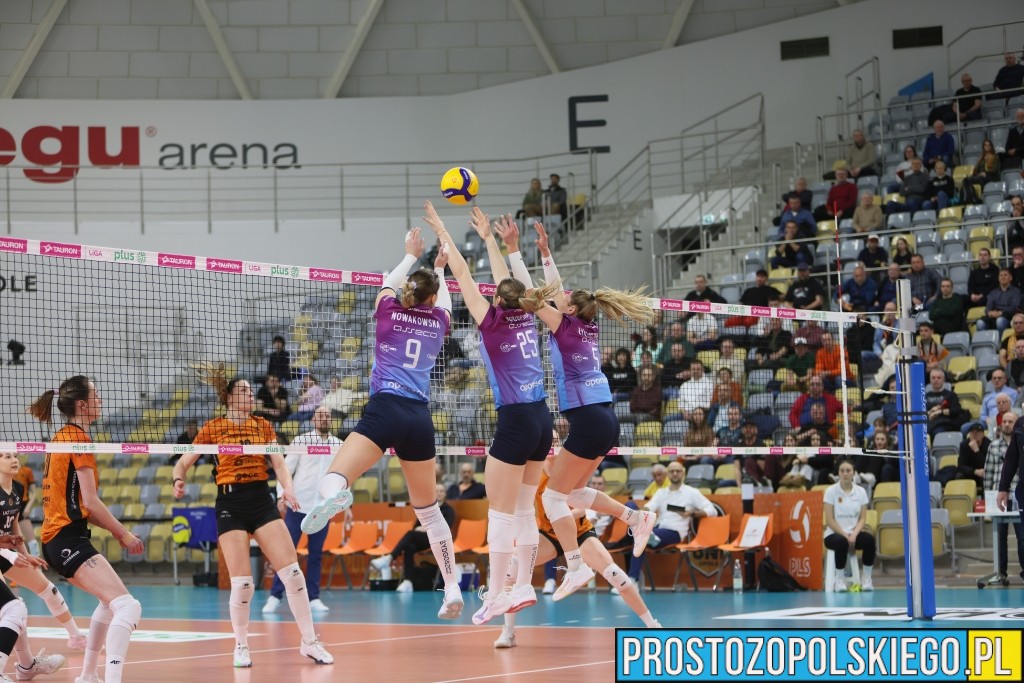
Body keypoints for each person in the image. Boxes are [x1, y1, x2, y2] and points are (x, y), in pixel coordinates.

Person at [298, 217, 465, 620]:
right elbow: (445, 302)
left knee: (333, 476)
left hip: (385, 408)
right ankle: (452, 588)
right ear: (432, 297)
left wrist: (409, 255)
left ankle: (334, 495)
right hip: (419, 417)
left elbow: (387, 285)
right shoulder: (438, 322)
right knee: (429, 512)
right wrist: (440, 268)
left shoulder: (388, 311)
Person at [501, 224, 657, 601]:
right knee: (573, 492)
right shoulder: (587, 326)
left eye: (564, 302)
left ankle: (575, 566)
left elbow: (532, 294)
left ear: (569, 309)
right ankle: (636, 517)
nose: (561, 301)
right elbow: (555, 291)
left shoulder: (565, 326)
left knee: (554, 499)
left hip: (587, 419)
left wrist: (513, 250)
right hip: (605, 419)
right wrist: (546, 253)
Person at [425, 208, 562, 624]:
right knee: (523, 511)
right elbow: (507, 282)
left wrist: (443, 231)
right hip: (542, 419)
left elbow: (463, 274)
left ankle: (499, 592)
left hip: (516, 420)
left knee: (500, 513)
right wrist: (490, 240)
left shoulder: (491, 321)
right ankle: (523, 586)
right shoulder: (526, 314)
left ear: (496, 300)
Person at [172, 366, 332, 668]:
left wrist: (288, 488)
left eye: (249, 390)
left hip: (261, 500)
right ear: (230, 397)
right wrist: (178, 479)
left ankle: (310, 642)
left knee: (293, 574)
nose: (250, 394)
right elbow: (183, 462)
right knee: (243, 584)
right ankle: (241, 646)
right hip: (230, 503)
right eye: (244, 390)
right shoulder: (213, 428)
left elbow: (279, 463)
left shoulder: (263, 426)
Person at [27, 376, 143, 683]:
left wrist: (117, 531)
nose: (100, 399)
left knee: (109, 603)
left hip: (61, 538)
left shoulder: (62, 437)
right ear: (82, 404)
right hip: (65, 539)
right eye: (96, 394)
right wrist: (123, 534)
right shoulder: (77, 440)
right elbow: (90, 502)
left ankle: (88, 676)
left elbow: (79, 505)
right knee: (128, 607)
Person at [494, 461, 660, 648]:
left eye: (555, 447)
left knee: (616, 575)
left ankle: (652, 625)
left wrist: (560, 516)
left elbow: (582, 508)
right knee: (512, 565)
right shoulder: (534, 473)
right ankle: (508, 632)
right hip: (550, 536)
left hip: (579, 534)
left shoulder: (569, 469)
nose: (552, 452)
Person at [0, 452, 75, 678]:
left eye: (15, 455)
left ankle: (28, 666)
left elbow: (14, 526)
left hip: (4, 551)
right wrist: (10, 555)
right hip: (3, 552)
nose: (14, 459)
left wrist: (24, 554)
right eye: (6, 456)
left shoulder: (18, 488)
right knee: (13, 609)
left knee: (15, 609)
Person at [263, 406, 341, 615]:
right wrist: (282, 495)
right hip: (298, 506)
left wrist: (344, 503)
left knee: (316, 555)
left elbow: (343, 476)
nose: (324, 418)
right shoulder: (301, 441)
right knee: (287, 554)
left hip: (322, 509)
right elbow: (286, 469)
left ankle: (314, 598)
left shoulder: (339, 445)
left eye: (327, 416)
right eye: (320, 415)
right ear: (313, 420)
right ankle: (275, 596)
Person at [627, 462, 718, 582]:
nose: (675, 474)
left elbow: (712, 510)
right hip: (658, 528)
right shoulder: (661, 492)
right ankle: (645, 535)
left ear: (683, 473)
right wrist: (639, 512)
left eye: (678, 471)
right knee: (629, 505)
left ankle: (632, 579)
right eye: (672, 471)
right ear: (667, 474)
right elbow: (650, 507)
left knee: (639, 536)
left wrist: (692, 513)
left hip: (674, 532)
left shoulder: (692, 492)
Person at [371, 484, 456, 593]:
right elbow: (416, 527)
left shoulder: (448, 510)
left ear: (445, 494)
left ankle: (390, 558)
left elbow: (445, 528)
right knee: (409, 546)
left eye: (441, 491)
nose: (439, 493)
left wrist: (427, 528)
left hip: (439, 540)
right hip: (424, 539)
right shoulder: (427, 509)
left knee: (410, 534)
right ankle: (408, 582)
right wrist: (424, 529)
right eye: (436, 491)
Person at [823, 457, 875, 592]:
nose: (845, 473)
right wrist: (845, 535)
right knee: (841, 542)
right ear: (838, 473)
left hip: (854, 534)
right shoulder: (830, 491)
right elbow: (830, 520)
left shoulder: (861, 492)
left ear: (853, 473)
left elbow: (862, 519)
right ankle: (839, 579)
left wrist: (854, 535)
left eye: (848, 470)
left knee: (869, 540)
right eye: (842, 471)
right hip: (834, 535)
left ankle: (866, 578)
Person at [984, 411, 1024, 584]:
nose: (1007, 424)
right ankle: (1004, 572)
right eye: (1005, 421)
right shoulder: (1020, 426)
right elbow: (1011, 459)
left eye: (1010, 421)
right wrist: (1001, 489)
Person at [977, 268, 1021, 334]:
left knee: (1000, 321)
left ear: (1010, 278)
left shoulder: (1016, 292)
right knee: (980, 323)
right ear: (998, 278)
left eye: (1005, 275)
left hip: (1009, 317)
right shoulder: (993, 293)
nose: (1003, 277)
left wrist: (1001, 313)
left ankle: (1001, 340)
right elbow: (988, 308)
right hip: (993, 318)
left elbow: (1014, 307)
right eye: (1001, 275)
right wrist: (989, 313)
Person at [10, 461, 38, 556]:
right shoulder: (5, 470)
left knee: (33, 544)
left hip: (22, 507)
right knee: (12, 545)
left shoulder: (27, 471)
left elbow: (34, 492)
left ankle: (37, 564)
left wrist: (28, 507)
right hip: (8, 508)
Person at [959, 422, 990, 492]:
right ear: (969, 434)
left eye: (978, 432)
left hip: (984, 473)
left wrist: (976, 451)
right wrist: (974, 471)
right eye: (972, 432)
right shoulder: (964, 445)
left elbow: (987, 465)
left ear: (983, 434)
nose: (975, 434)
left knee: (986, 477)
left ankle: (986, 498)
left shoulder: (989, 445)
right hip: (971, 472)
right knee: (959, 476)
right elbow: (961, 466)